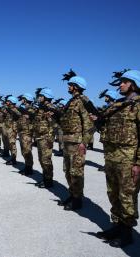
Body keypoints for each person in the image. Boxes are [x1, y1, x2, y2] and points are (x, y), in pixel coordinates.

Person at [94, 70, 140, 248]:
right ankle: (117, 226)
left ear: (133, 84)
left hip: (129, 158)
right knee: (113, 193)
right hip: (112, 156)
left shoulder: (138, 105)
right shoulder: (118, 104)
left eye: (124, 82)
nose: (120, 85)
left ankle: (127, 233)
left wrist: (138, 163)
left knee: (127, 196)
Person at [59, 73, 94, 210]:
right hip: (68, 141)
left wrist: (84, 143)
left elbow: (89, 125)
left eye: (70, 85)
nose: (68, 86)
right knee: (67, 170)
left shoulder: (82, 101)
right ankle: (72, 194)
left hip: (77, 142)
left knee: (76, 172)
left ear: (76, 87)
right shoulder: (71, 101)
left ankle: (78, 199)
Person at [33, 88, 57, 188]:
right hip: (40, 137)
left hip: (46, 137)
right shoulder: (41, 107)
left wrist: (50, 136)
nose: (39, 98)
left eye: (40, 96)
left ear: (46, 97)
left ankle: (48, 181)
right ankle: (45, 178)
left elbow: (54, 124)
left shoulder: (51, 107)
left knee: (46, 159)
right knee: (41, 159)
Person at [16, 93, 35, 175]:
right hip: (22, 132)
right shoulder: (24, 108)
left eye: (23, 99)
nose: (22, 100)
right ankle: (27, 166)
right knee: (24, 151)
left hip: (27, 133)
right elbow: (16, 107)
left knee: (27, 151)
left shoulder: (31, 109)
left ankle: (29, 168)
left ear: (26, 99)